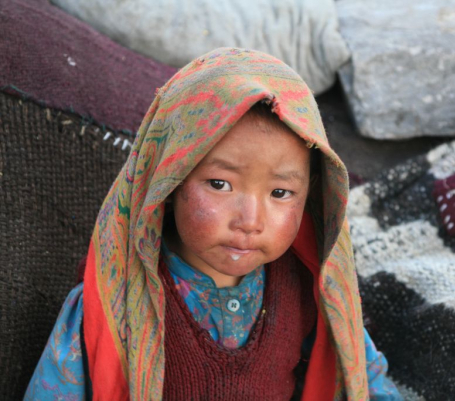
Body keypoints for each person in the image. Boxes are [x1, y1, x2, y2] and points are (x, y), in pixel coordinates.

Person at [25, 48, 402, 400]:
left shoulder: (311, 290)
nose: (250, 221)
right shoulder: (114, 303)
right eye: (220, 184)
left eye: (280, 192)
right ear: (168, 180)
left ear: (312, 195)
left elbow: (361, 376)